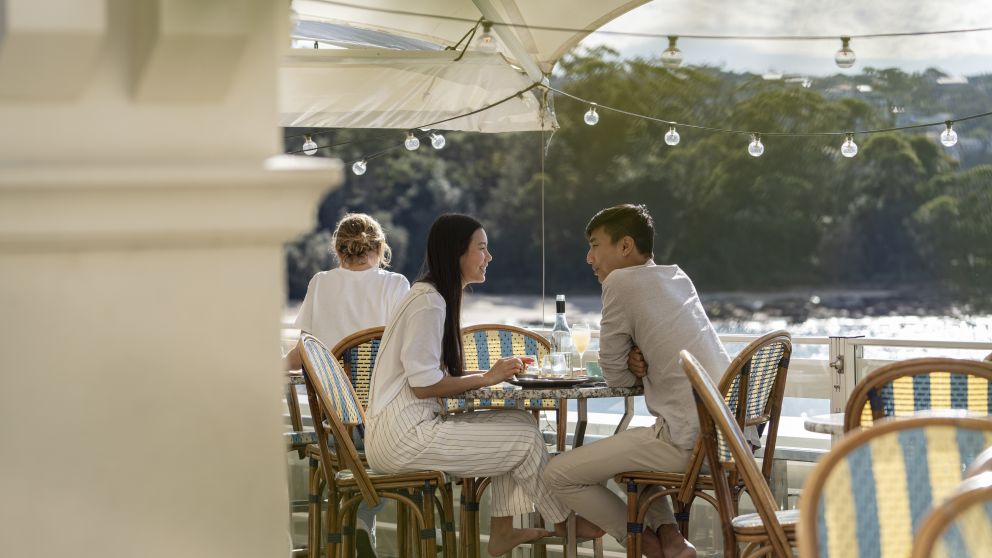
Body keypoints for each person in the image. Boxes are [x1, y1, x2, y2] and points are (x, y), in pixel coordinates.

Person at [365, 213, 604, 556]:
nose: (489, 257)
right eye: (482, 248)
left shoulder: (431, 297)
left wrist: (486, 376)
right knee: (521, 439)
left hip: (407, 429)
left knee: (517, 423)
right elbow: (423, 385)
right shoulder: (429, 302)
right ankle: (563, 522)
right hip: (402, 437)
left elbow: (425, 375)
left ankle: (504, 531)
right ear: (456, 254)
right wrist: (487, 377)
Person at [544, 204, 731, 558]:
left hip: (690, 444)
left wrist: (631, 362)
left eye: (595, 245)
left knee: (558, 474)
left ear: (625, 245)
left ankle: (647, 548)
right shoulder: (676, 276)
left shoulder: (620, 282)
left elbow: (613, 374)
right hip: (730, 439)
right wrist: (636, 355)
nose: (589, 258)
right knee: (625, 452)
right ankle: (673, 541)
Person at [284, 212, 409, 557]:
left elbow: (304, 353)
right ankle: (411, 521)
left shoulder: (320, 283)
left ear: (338, 251)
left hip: (333, 422)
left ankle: (354, 520)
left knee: (357, 451)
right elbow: (408, 351)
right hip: (382, 418)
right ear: (381, 247)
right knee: (397, 447)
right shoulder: (395, 285)